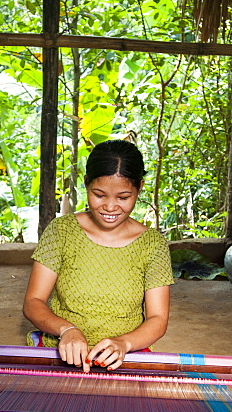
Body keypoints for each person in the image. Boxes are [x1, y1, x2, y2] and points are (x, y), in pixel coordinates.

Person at [23, 140, 173, 372]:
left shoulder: (152, 245)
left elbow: (157, 319)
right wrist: (67, 330)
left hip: (125, 354)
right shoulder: (62, 231)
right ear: (86, 184)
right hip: (62, 346)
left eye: (123, 197)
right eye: (99, 195)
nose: (110, 207)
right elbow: (34, 303)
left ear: (139, 188)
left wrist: (124, 343)